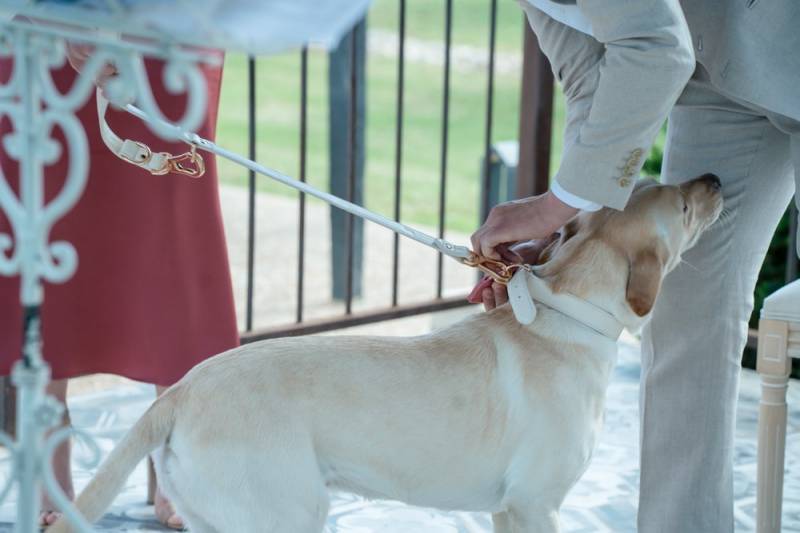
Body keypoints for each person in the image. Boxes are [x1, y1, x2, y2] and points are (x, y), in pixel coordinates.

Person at [471, 1, 800, 531]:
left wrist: (547, 206)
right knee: (685, 319)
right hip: (717, 88)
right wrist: (563, 222)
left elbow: (656, 45)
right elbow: (591, 87)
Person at [0, 45, 239, 528]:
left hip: (167, 23)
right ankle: (50, 450)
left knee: (170, 226)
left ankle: (175, 448)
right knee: (42, 211)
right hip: (44, 23)